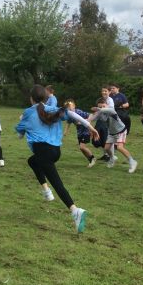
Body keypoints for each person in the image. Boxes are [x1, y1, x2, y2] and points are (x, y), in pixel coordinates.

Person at [15, 85, 98, 233]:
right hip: (55, 151)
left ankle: (75, 210)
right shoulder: (52, 109)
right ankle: (46, 192)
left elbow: (20, 135)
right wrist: (90, 127)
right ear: (45, 98)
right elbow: (72, 114)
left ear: (31, 98)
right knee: (32, 161)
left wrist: (23, 122)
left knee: (57, 183)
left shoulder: (28, 113)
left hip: (43, 151)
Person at [90, 98, 138, 173]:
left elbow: (102, 110)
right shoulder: (100, 112)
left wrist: (98, 109)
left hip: (120, 131)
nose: (102, 108)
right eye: (100, 106)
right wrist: (86, 119)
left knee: (119, 147)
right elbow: (92, 118)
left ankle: (132, 162)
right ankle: (112, 158)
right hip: (111, 133)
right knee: (106, 148)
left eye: (103, 106)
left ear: (107, 105)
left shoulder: (111, 110)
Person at [63, 99, 99, 168]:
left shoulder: (78, 112)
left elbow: (90, 115)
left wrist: (86, 121)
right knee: (81, 148)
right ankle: (90, 160)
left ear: (74, 106)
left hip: (86, 131)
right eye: (67, 107)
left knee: (82, 147)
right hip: (79, 132)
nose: (69, 108)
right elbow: (68, 122)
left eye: (70, 106)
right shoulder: (69, 114)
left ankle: (93, 158)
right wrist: (66, 131)